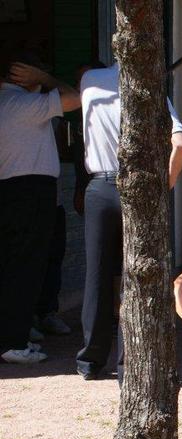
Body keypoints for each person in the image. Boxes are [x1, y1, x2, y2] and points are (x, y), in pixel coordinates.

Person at [76, 62, 182, 380]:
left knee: (96, 274)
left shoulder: (90, 81)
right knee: (133, 276)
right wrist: (163, 186)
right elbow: (181, 145)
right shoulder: (150, 88)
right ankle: (128, 363)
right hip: (137, 186)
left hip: (98, 184)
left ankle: (89, 360)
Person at [0, 55, 80, 364]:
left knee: (11, 265)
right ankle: (13, 341)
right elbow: (75, 97)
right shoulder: (22, 104)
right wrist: (44, 78)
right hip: (29, 190)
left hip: (11, 189)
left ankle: (12, 335)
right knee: (26, 267)